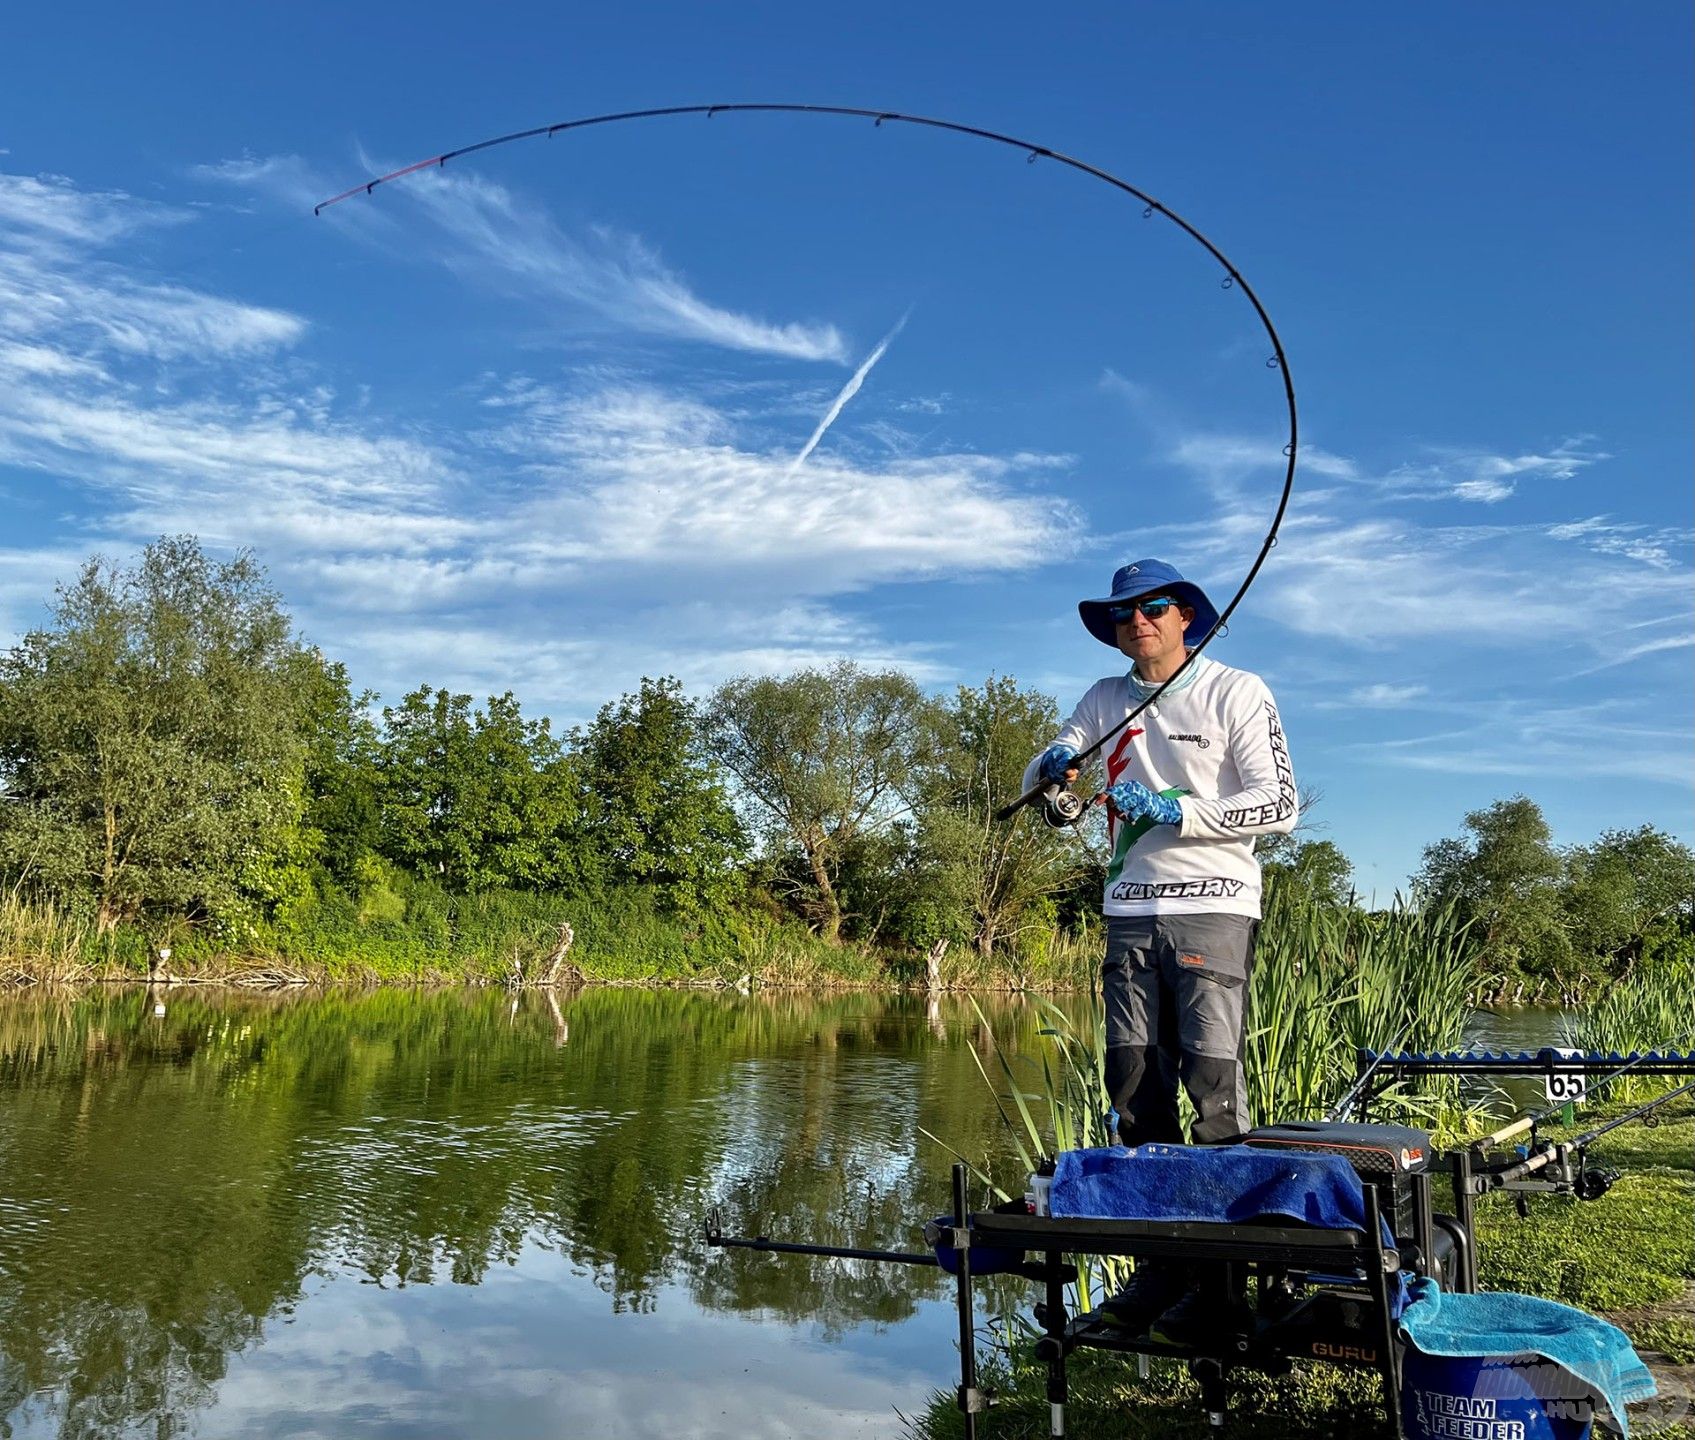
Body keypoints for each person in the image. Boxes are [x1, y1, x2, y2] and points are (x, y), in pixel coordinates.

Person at [1023, 557, 1298, 1338]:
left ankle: (1218, 1291)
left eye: (1152, 606)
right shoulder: (1103, 699)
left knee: (1212, 1092)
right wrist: (1052, 773)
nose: (1135, 620)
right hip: (1127, 911)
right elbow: (1058, 786)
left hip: (1212, 906)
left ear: (1185, 615)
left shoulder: (1235, 690)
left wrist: (1177, 810)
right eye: (1121, 613)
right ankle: (1157, 1278)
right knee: (1134, 1087)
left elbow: (1278, 806)